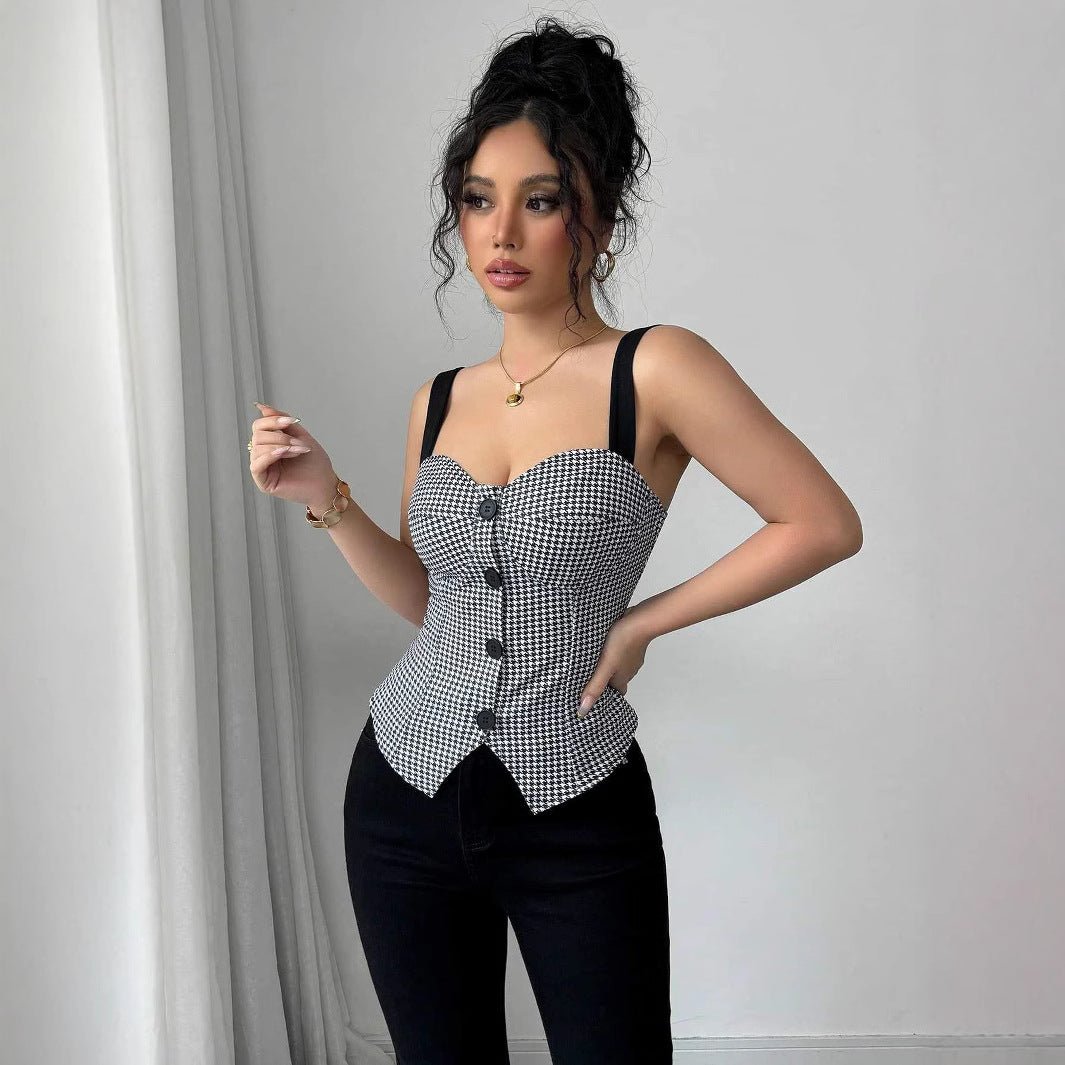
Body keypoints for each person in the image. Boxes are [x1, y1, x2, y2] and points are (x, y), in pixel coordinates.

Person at [247, 16, 862, 1064]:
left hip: (576, 806)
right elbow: (434, 602)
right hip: (399, 797)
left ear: (599, 218)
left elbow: (821, 522)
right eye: (477, 199)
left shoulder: (655, 369)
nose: (501, 234)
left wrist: (641, 624)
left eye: (539, 201)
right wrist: (327, 498)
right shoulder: (439, 399)